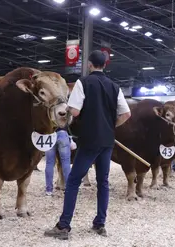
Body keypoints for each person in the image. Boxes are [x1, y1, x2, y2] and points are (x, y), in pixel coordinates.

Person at [44, 50, 131, 240]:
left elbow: (74, 112)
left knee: (74, 181)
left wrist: (67, 107)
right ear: (105, 65)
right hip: (107, 141)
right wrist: (110, 126)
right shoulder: (115, 86)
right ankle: (100, 224)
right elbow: (126, 114)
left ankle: (64, 226)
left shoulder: (83, 83)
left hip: (90, 139)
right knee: (103, 182)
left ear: (90, 64)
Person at [44, 128, 72, 196]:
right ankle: (68, 189)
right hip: (63, 134)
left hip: (49, 134)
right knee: (66, 163)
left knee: (49, 163)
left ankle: (49, 190)